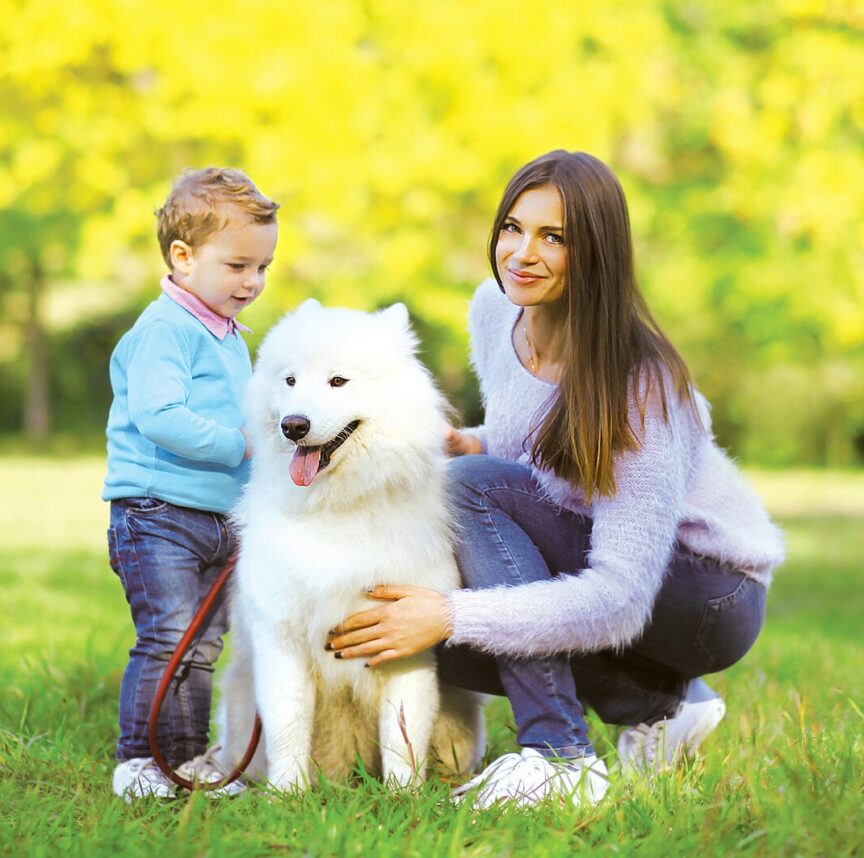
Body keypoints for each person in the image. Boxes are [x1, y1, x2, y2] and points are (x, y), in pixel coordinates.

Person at [324, 151, 785, 809]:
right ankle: (658, 706)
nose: (522, 253)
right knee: (432, 630)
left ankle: (559, 755)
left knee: (460, 541)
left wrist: (449, 610)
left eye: (555, 237)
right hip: (606, 552)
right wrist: (473, 442)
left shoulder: (639, 384)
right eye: (513, 227)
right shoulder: (495, 309)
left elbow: (621, 595)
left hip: (706, 592)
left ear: (596, 252)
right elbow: (540, 448)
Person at [103, 167, 279, 801]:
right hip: (158, 513)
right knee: (170, 638)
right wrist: (240, 443)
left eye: (262, 268)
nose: (252, 282)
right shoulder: (165, 330)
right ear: (182, 257)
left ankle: (183, 759)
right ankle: (141, 761)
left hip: (215, 517)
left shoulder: (225, 332)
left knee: (200, 646)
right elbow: (159, 417)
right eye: (237, 266)